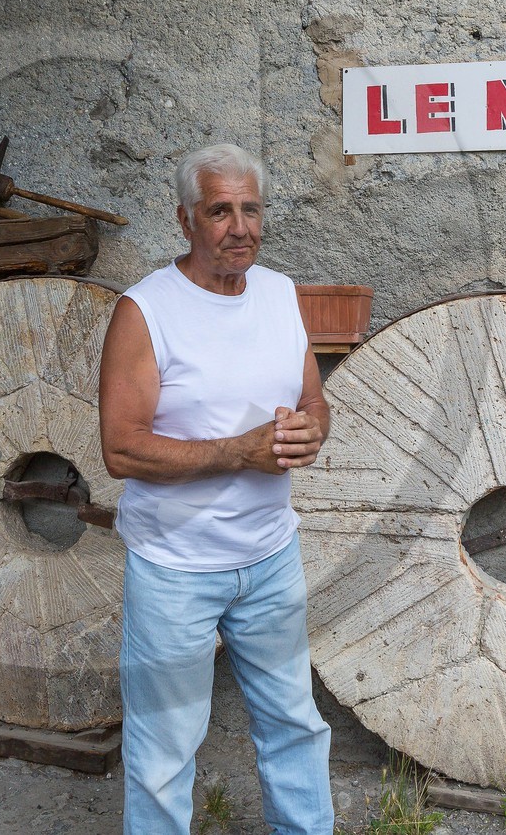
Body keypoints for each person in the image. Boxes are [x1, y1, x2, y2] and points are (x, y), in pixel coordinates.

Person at [98, 143, 334, 835]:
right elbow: (119, 448)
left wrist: (310, 433)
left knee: (296, 725)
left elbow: (313, 401)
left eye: (251, 208)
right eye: (220, 211)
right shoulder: (146, 312)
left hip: (269, 558)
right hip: (175, 569)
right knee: (165, 753)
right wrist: (241, 451)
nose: (240, 227)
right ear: (185, 220)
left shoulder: (281, 293)